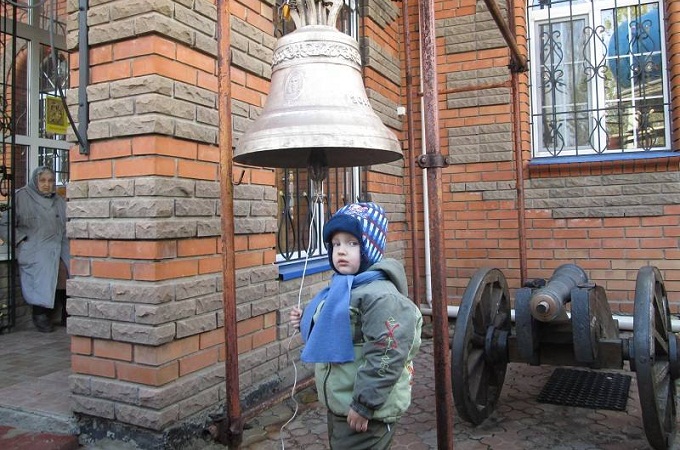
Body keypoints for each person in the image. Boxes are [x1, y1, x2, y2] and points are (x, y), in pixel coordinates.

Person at [290, 202, 422, 449]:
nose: (341, 251)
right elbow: (340, 326)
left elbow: (387, 354)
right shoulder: (346, 286)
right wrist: (306, 321)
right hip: (342, 403)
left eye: (352, 243)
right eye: (336, 243)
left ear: (369, 248)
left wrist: (364, 405)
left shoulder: (380, 296)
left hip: (368, 413)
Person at [0, 166, 69, 332]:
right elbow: (5, 225)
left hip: (60, 247)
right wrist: (21, 241)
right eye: (43, 180)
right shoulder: (21, 196)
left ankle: (68, 313)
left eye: (51, 181)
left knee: (65, 276)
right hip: (36, 248)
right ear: (34, 181)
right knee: (41, 279)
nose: (47, 184)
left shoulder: (59, 200)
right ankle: (40, 314)